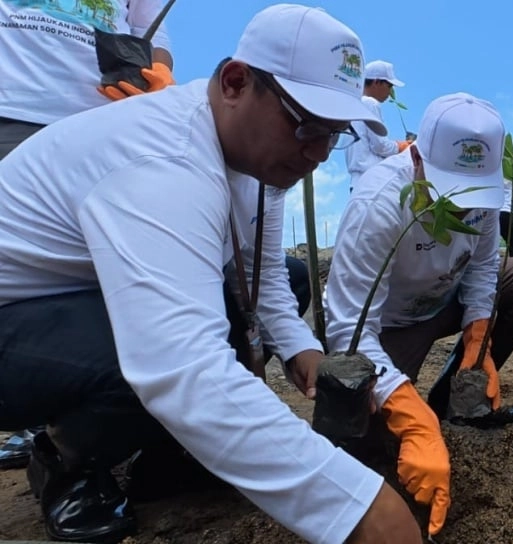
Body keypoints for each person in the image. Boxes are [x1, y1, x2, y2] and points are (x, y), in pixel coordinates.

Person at [0, 4, 424, 543]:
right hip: (14, 323)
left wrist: (302, 351)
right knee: (147, 346)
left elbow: (264, 276)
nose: (317, 154)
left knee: (289, 276)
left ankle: (166, 453)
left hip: (72, 301)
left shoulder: (259, 164)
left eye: (333, 134)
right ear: (235, 82)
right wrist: (361, 508)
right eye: (305, 125)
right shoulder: (165, 160)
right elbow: (183, 366)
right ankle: (67, 461)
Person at [324, 92, 513, 534]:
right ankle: (419, 415)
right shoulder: (378, 203)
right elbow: (348, 327)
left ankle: (455, 400)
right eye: (449, 190)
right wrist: (411, 421)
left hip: (446, 300)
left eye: (473, 192)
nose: (461, 206)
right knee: (370, 441)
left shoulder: (483, 198)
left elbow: (485, 268)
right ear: (416, 158)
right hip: (389, 325)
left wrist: (478, 338)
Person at [0, 0, 177, 471]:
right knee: (25, 277)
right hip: (14, 106)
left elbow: (151, 30)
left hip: (105, 113)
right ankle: (43, 427)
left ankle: (89, 433)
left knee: (108, 272)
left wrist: (157, 76)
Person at [345, 60, 410, 190]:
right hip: (371, 181)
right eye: (389, 86)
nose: (390, 92)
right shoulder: (370, 103)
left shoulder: (353, 103)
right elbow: (380, 146)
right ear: (376, 82)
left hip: (356, 182)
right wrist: (402, 146)